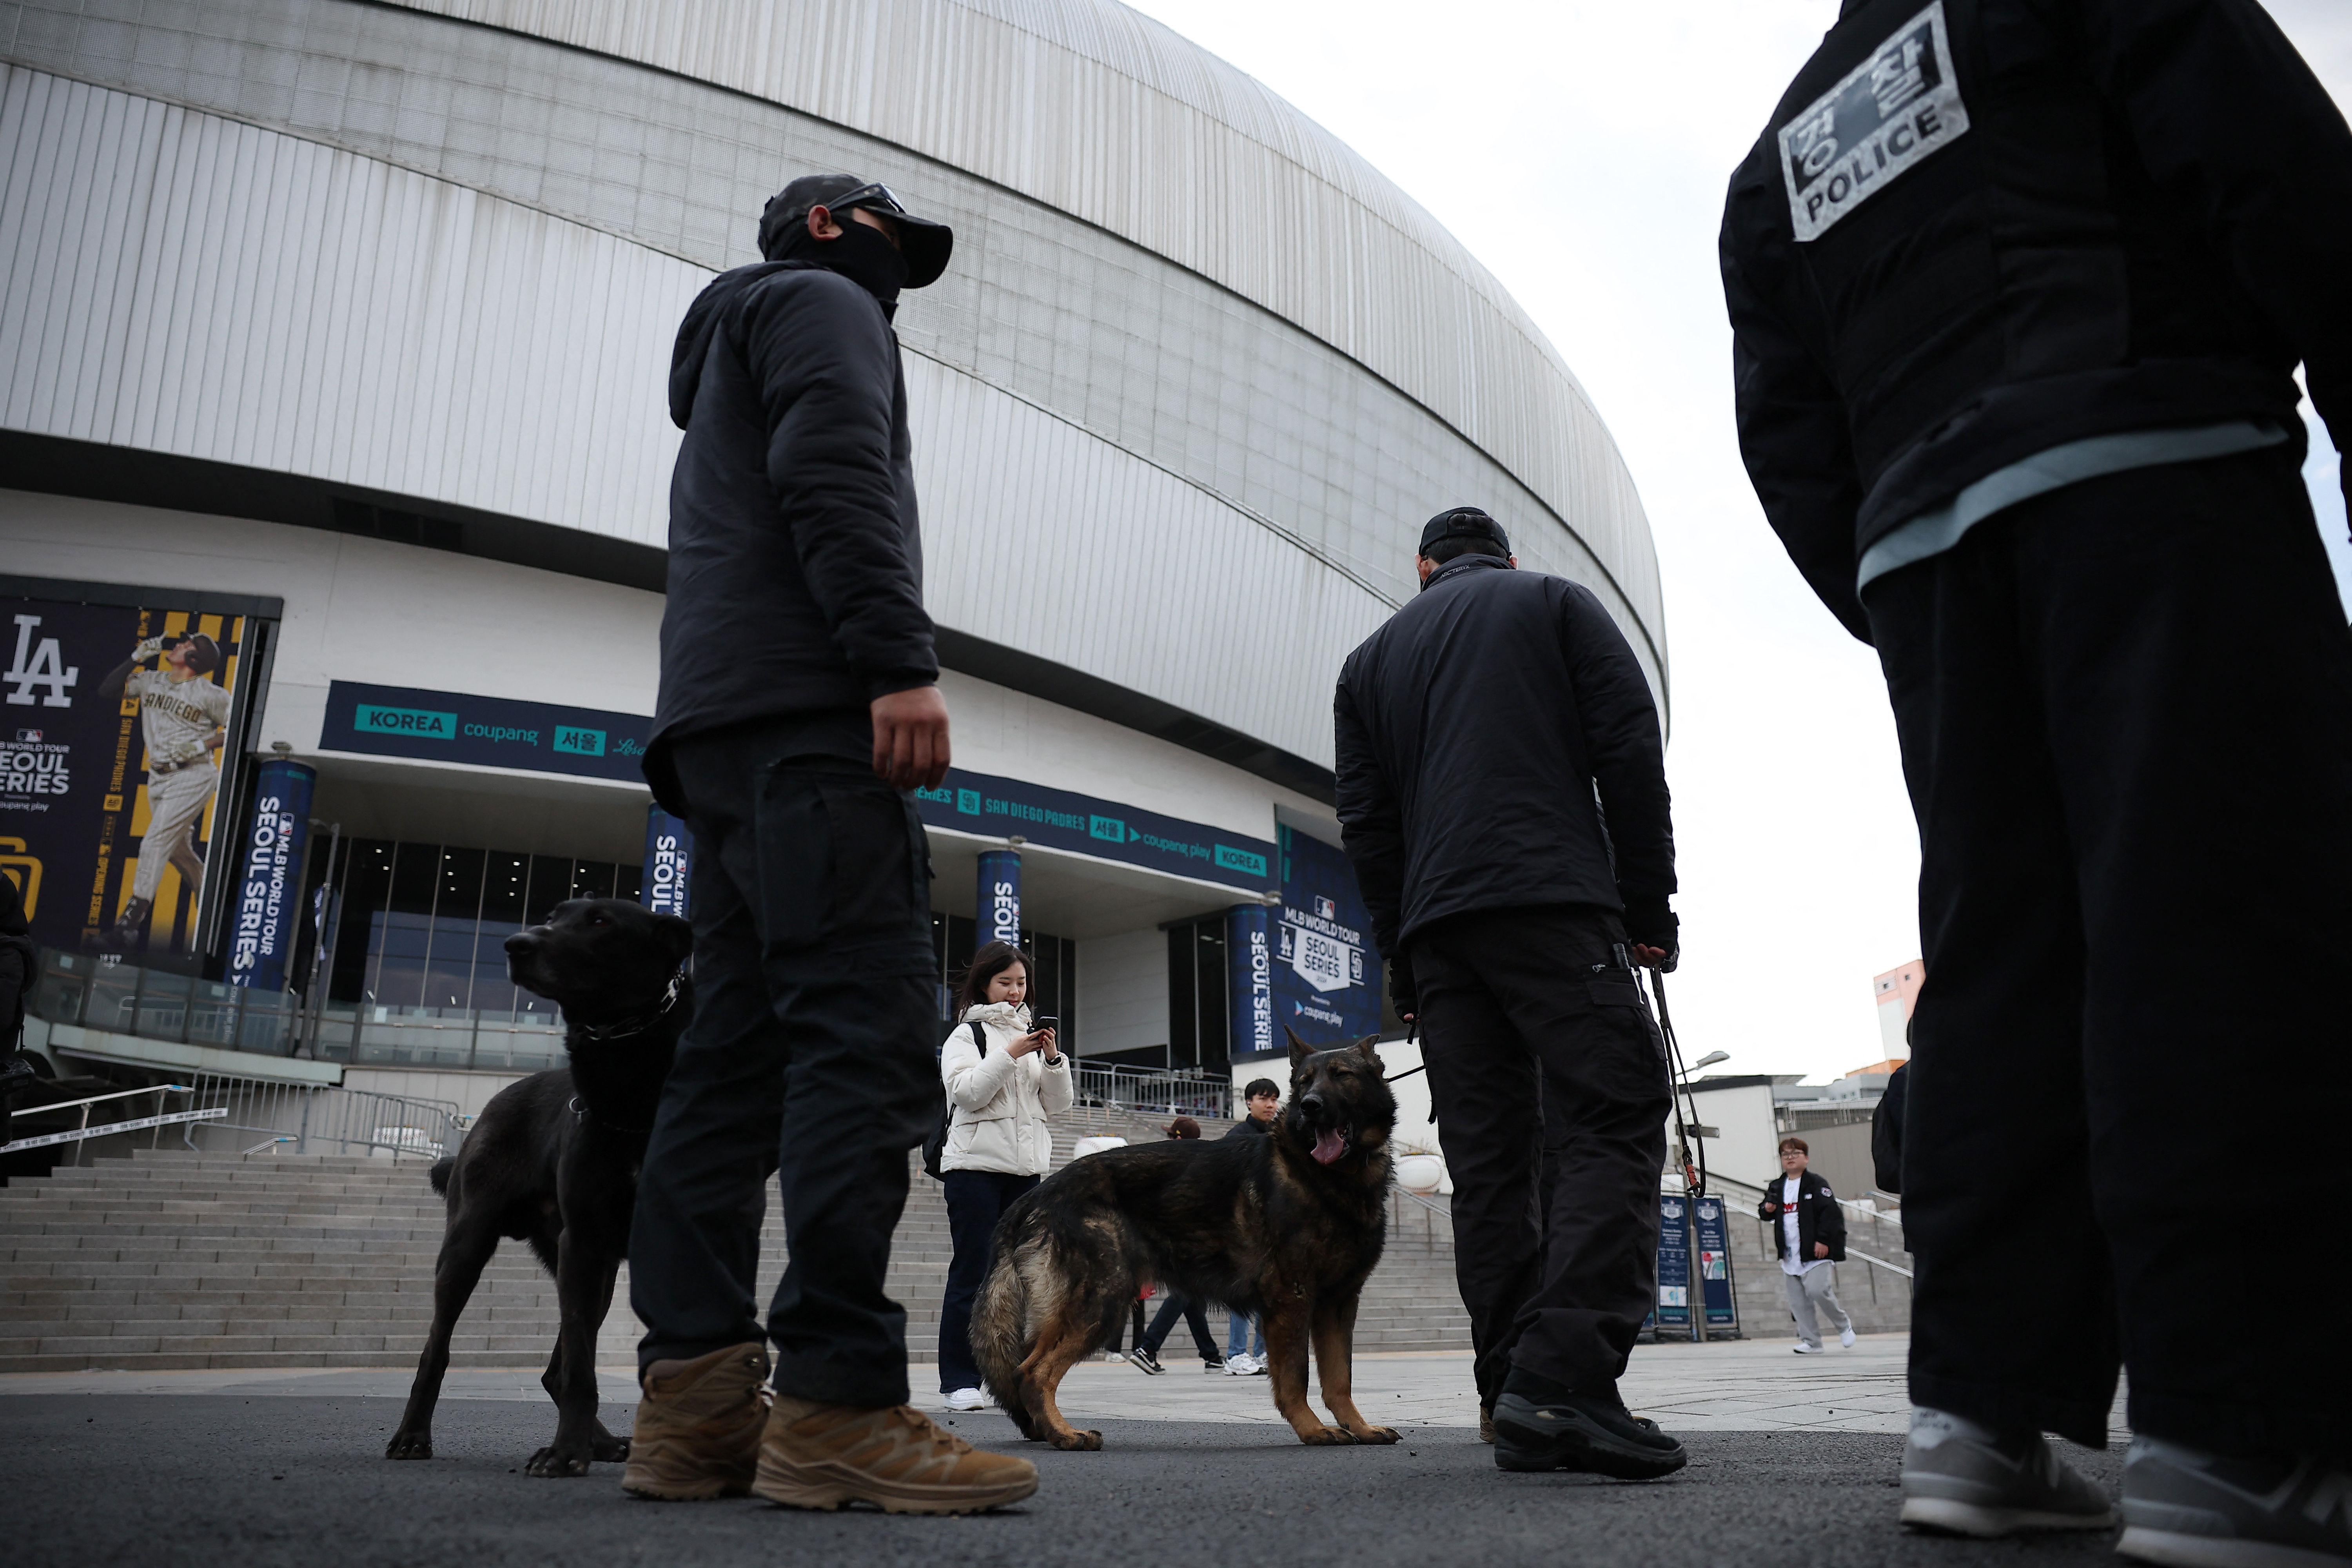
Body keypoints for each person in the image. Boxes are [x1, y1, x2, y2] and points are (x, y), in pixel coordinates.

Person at [1720, 1, 2352, 1554]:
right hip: (2158, 471)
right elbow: (2287, 183)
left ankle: (1990, 1417)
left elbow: (1789, 438)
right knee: (2214, 923)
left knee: (2001, 969)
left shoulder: (1785, 148)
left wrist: (1901, 585)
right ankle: (2245, 1428)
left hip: (1932, 564)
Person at [621, 171, 1038, 1514]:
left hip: (722, 737)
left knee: (732, 1064)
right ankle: (840, 1408)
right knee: (862, 1044)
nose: (898, 277)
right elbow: (836, 465)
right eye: (889, 247)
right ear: (822, 224)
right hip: (812, 724)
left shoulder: (730, 344)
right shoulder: (816, 300)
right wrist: (895, 664)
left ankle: (690, 1413)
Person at [1334, 505, 1685, 1481]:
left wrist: (1403, 958)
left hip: (1441, 936)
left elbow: (1368, 824)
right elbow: (1628, 750)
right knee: (1613, 1109)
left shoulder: (1367, 666)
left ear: (1422, 567)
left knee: (1489, 1164)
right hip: (1551, 901)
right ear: (1506, 556)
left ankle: (1509, 1392)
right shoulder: (1555, 601)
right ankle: (1566, 1376)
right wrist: (1647, 903)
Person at [936, 941, 1070, 1411]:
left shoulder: (1031, 1034)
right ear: (984, 984)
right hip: (973, 1171)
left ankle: (1010, 1380)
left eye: (1021, 982)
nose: (1016, 991)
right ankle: (958, 1380)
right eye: (1005, 982)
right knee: (972, 1273)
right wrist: (1010, 1053)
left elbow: (1058, 1105)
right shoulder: (966, 1036)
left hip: (1025, 1174)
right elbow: (967, 1093)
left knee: (1016, 1281)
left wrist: (1052, 1060)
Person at [96, 632, 227, 951]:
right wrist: (135, 658)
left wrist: (204, 743)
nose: (179, 645)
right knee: (178, 852)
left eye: (187, 645)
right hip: (159, 777)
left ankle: (130, 923)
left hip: (193, 776)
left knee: (154, 842)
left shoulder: (212, 694)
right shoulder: (151, 680)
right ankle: (214, 906)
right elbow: (107, 690)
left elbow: (241, 727)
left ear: (194, 661)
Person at [1125, 1117, 1226, 1375]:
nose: (1168, 1141)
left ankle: (1211, 1356)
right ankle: (1149, 1348)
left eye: (1172, 1136)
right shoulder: (1197, 1164)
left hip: (1187, 1238)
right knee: (1187, 1292)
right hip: (1188, 1239)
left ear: (1180, 1140)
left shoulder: (1183, 1165)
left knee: (1190, 1295)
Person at [1758, 1137, 1851, 1355]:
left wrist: (1824, 1241)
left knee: (1818, 1290)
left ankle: (1843, 1325)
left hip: (1816, 1250)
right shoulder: (1777, 1186)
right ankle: (1812, 1342)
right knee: (1798, 1302)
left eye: (1795, 1154)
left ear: (1806, 1158)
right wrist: (1768, 1209)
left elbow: (1831, 1215)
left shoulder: (1817, 1184)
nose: (1790, 1158)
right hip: (1790, 1253)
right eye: (1785, 1155)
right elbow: (1764, 1213)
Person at [1219, 1079, 1279, 1374]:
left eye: (1274, 1100)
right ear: (1248, 1102)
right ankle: (1235, 1355)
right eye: (1264, 1099)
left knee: (1267, 1290)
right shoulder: (1238, 1137)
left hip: (1270, 1226)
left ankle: (1263, 1353)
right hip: (1240, 1226)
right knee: (1243, 1291)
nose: (1270, 1105)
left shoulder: (1277, 1136)